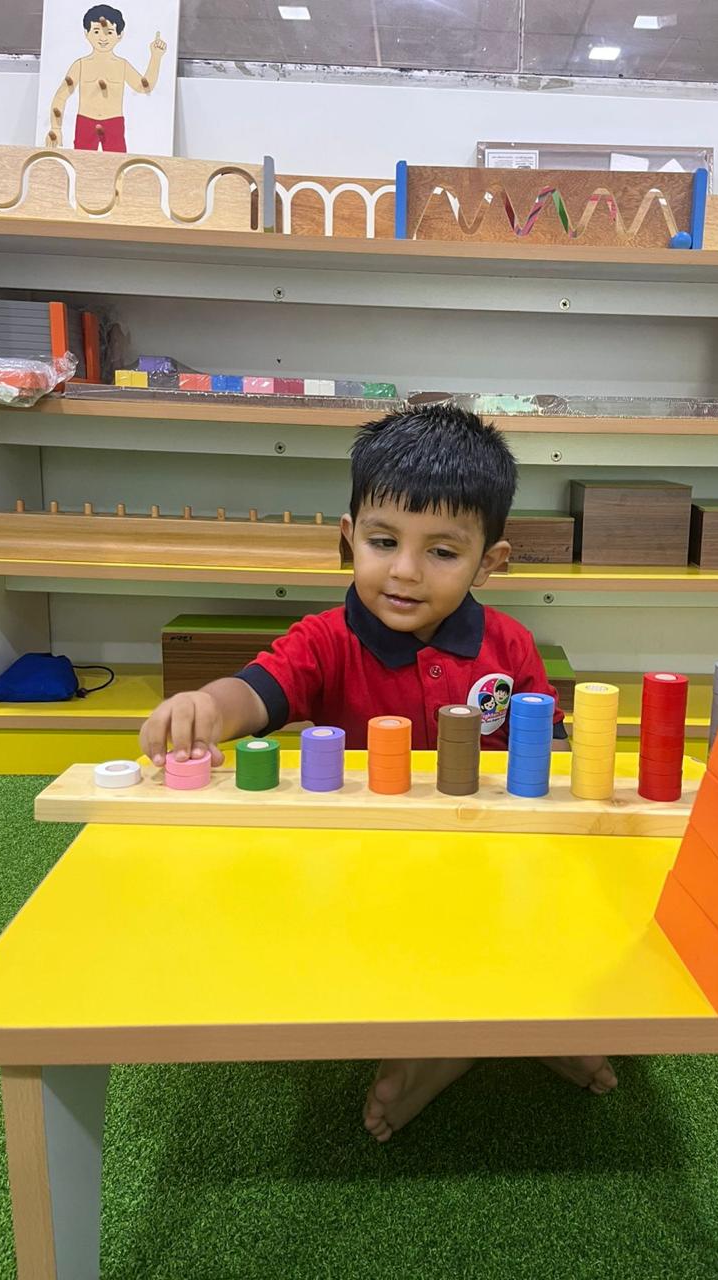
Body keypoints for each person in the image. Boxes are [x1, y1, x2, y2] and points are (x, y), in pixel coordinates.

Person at [139, 405, 617, 1140]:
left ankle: (527, 1022)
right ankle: (444, 1045)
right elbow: (259, 691)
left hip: (491, 863)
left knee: (556, 912)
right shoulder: (324, 640)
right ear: (349, 538)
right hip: (371, 870)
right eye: (384, 541)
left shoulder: (511, 646)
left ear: (490, 562)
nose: (404, 571)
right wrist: (207, 705)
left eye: (442, 552)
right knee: (376, 954)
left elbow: (548, 753)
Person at [48, 5, 167, 153]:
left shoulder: (122, 65)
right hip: (85, 122)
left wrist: (156, 57)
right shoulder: (80, 65)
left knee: (118, 164)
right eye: (96, 31)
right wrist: (55, 128)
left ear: (120, 35)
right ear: (86, 33)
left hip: (114, 123)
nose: (103, 38)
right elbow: (61, 96)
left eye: (109, 32)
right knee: (82, 163)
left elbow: (144, 87)